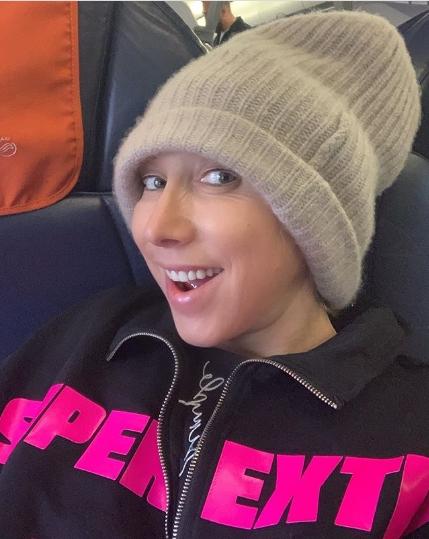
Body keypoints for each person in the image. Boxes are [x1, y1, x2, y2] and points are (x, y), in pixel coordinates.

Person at [0, 9, 426, 539]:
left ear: (315, 220)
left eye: (219, 177)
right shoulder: (88, 337)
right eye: (151, 182)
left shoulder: (410, 432)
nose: (157, 228)